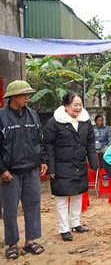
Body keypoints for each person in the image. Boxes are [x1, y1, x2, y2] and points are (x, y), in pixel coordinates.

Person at [0, 80, 48, 260]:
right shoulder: (1, 116)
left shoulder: (33, 115)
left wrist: (43, 160)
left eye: (28, 94)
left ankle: (30, 241)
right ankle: (12, 244)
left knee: (33, 205)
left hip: (31, 169)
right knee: (10, 209)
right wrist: (1, 169)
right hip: (10, 172)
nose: (27, 97)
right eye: (24, 94)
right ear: (12, 97)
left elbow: (39, 140)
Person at [44, 92, 98, 241]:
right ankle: (64, 228)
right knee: (62, 198)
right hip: (61, 165)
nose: (78, 107)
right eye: (75, 104)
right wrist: (51, 167)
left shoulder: (85, 122)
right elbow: (47, 145)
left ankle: (75, 222)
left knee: (78, 194)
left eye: (80, 104)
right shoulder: (54, 122)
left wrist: (93, 163)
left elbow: (91, 143)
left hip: (79, 163)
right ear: (66, 106)